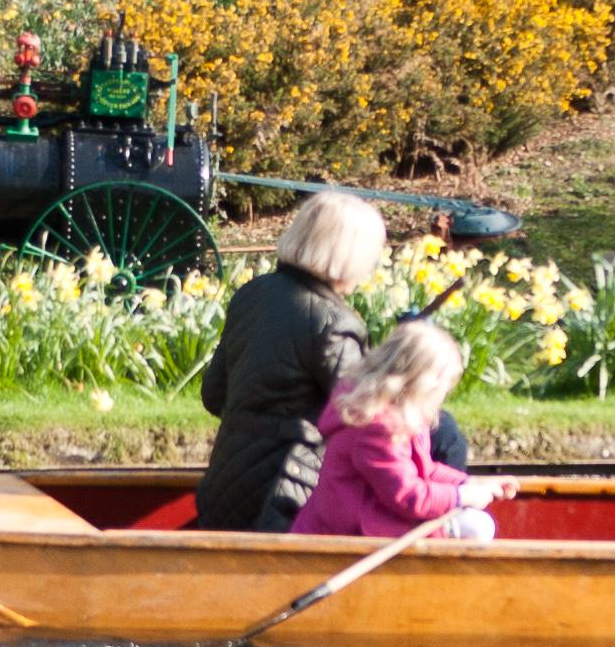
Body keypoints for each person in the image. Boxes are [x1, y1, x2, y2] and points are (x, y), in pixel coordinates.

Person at [195, 192, 471, 532]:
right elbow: (367, 412)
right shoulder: (333, 322)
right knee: (444, 433)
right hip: (287, 496)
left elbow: (214, 395)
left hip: (224, 489)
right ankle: (441, 533)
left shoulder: (252, 293)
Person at [292, 321, 511, 542]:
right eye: (445, 388)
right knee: (478, 525)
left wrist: (468, 483)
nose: (444, 397)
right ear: (424, 385)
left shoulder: (402, 415)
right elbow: (408, 496)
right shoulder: (377, 427)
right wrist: (460, 496)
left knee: (475, 520)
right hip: (348, 536)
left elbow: (424, 469)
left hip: (375, 521)